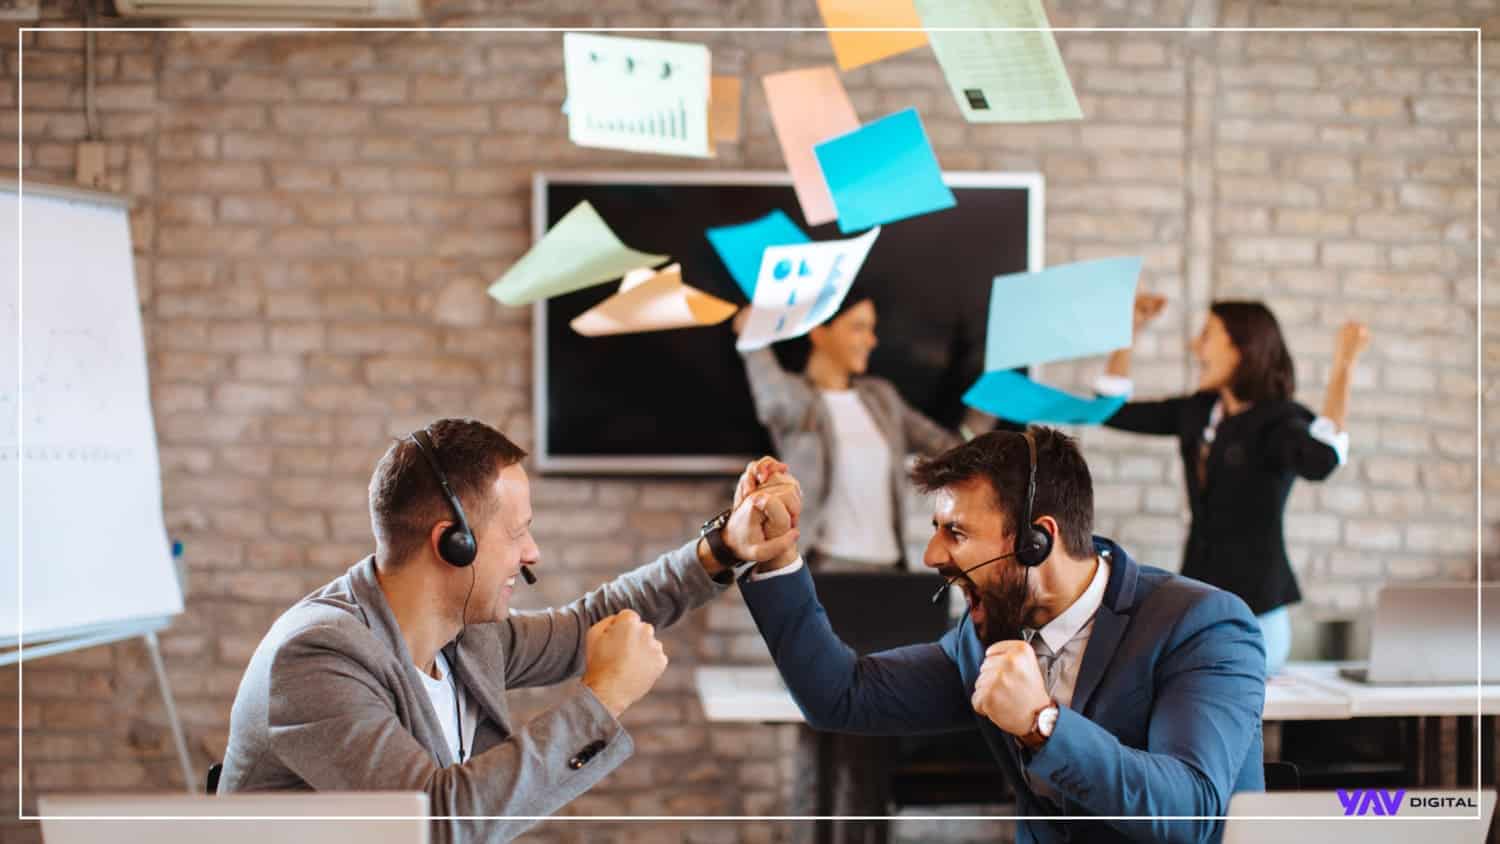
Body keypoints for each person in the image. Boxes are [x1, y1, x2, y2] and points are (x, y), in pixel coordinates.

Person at [218, 418, 801, 844]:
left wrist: (725, 546)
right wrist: (604, 701)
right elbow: (437, 823)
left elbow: (586, 623)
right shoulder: (316, 658)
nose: (532, 553)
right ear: (453, 542)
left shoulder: (464, 635)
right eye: (517, 532)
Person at [736, 428, 1267, 844]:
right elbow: (840, 697)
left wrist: (1043, 726)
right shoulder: (983, 637)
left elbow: (1193, 814)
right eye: (936, 530)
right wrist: (776, 559)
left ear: (1039, 540)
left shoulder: (1202, 625)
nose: (932, 556)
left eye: (957, 533)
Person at [1100, 296, 1370, 673]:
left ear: (1242, 349)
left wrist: (1344, 365)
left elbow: (1321, 459)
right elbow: (1110, 411)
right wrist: (1128, 331)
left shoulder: (1277, 422)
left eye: (1207, 335)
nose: (1195, 346)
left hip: (1257, 613)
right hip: (1197, 604)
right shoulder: (1198, 412)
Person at [734, 289, 969, 571]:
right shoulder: (802, 399)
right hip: (828, 564)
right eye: (859, 328)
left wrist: (992, 401)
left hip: (890, 564)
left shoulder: (881, 397)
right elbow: (775, 404)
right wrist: (752, 340)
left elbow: (951, 447)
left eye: (871, 329)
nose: (871, 341)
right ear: (819, 333)